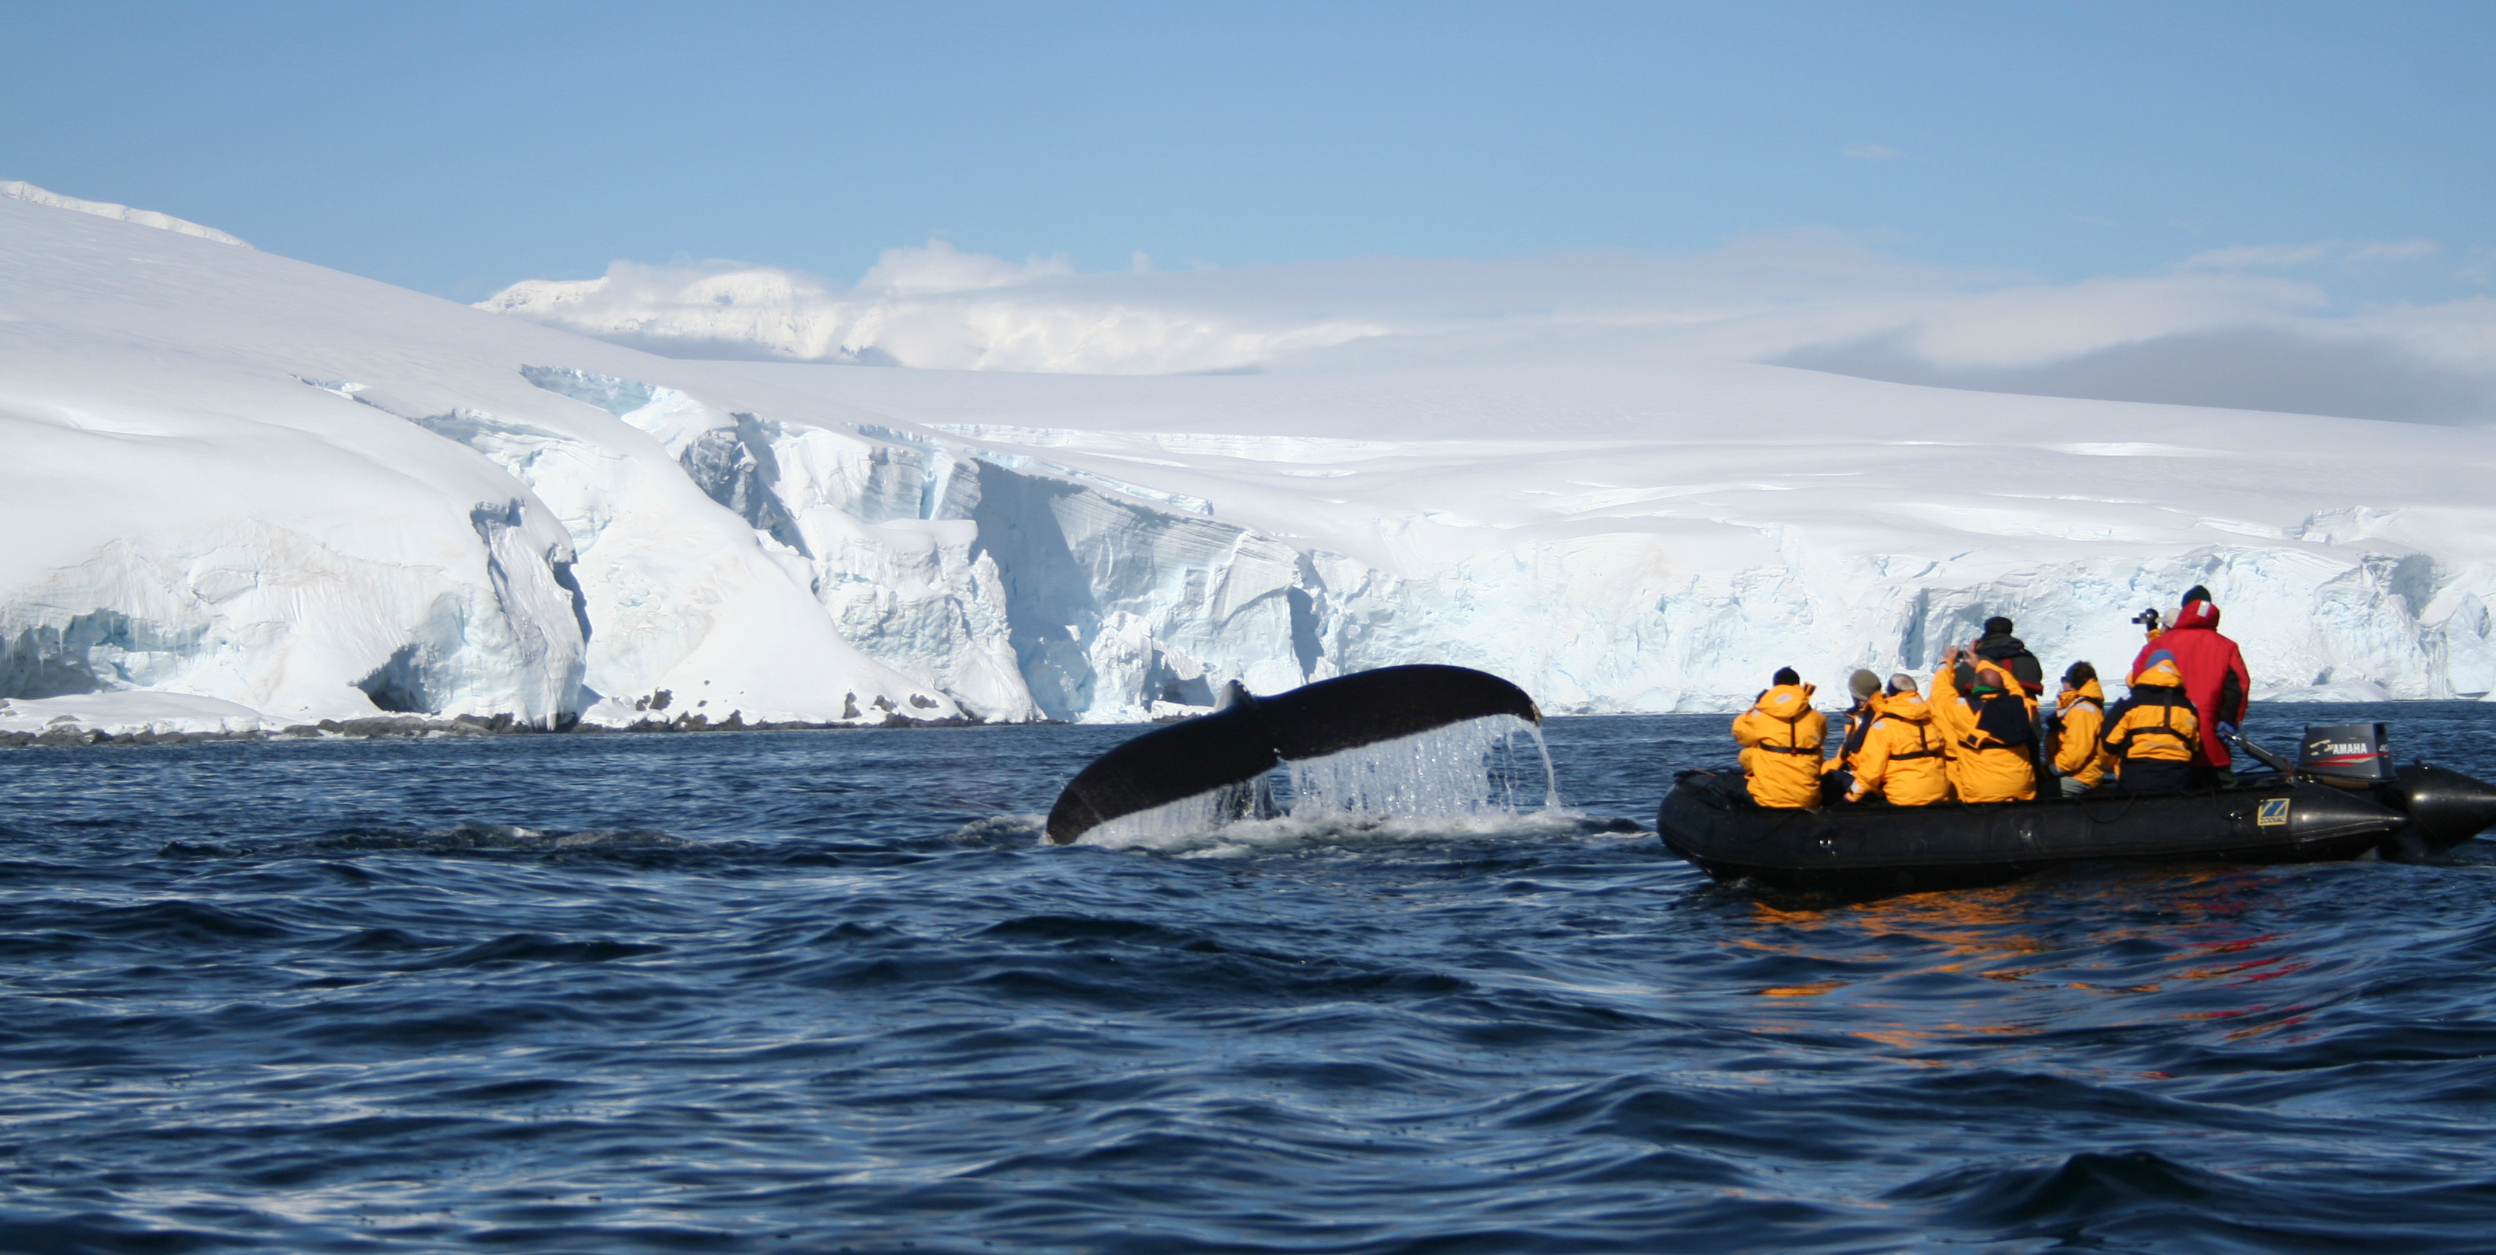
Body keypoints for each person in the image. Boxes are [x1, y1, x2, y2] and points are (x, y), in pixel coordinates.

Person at [2129, 585, 2249, 786]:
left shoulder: (2158, 645)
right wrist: (2230, 721)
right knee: (2223, 789)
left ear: (2184, 609)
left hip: (2165, 743)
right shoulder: (2227, 646)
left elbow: (2138, 682)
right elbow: (2237, 689)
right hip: (2211, 742)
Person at [1931, 648, 2038, 802]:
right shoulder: (2020, 705)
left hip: (1982, 789)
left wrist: (1947, 662)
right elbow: (2014, 685)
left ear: (1975, 686)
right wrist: (1981, 664)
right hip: (2021, 786)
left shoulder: (1963, 710)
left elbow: (1941, 691)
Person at [1844, 674, 1950, 806]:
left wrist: (1850, 797)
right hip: (1939, 793)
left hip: (1903, 798)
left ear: (1890, 694)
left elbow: (1870, 773)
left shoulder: (1883, 726)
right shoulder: (1932, 720)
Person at [2102, 650, 2200, 792]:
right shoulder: (2188, 706)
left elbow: (2108, 743)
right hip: (2177, 778)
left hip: (2135, 778)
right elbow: (2195, 748)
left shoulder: (2130, 701)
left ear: (2149, 670)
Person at [1732, 667, 1826, 808]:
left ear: (1775, 685)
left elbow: (1739, 734)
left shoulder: (1761, 715)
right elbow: (1819, 740)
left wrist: (1756, 708)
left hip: (1767, 797)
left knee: (1748, 753)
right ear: (1797, 684)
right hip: (1807, 798)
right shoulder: (1817, 718)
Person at [2049, 662, 2109, 797]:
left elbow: (2076, 753)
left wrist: (2049, 771)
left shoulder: (2083, 711)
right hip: (2074, 772)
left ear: (2072, 683)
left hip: (2081, 776)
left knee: (2037, 790)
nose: (2063, 683)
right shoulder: (2081, 707)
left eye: (2065, 679)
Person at [1822, 668, 1883, 800]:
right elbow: (1841, 760)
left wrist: (1851, 796)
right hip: (1860, 779)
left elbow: (1872, 771)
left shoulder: (1879, 722)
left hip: (1868, 786)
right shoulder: (1862, 718)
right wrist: (1816, 773)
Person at [1972, 616, 2046, 699]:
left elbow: (1961, 686)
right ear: (2010, 630)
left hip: (1985, 705)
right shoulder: (2029, 658)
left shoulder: (1975, 660)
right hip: (2024, 706)